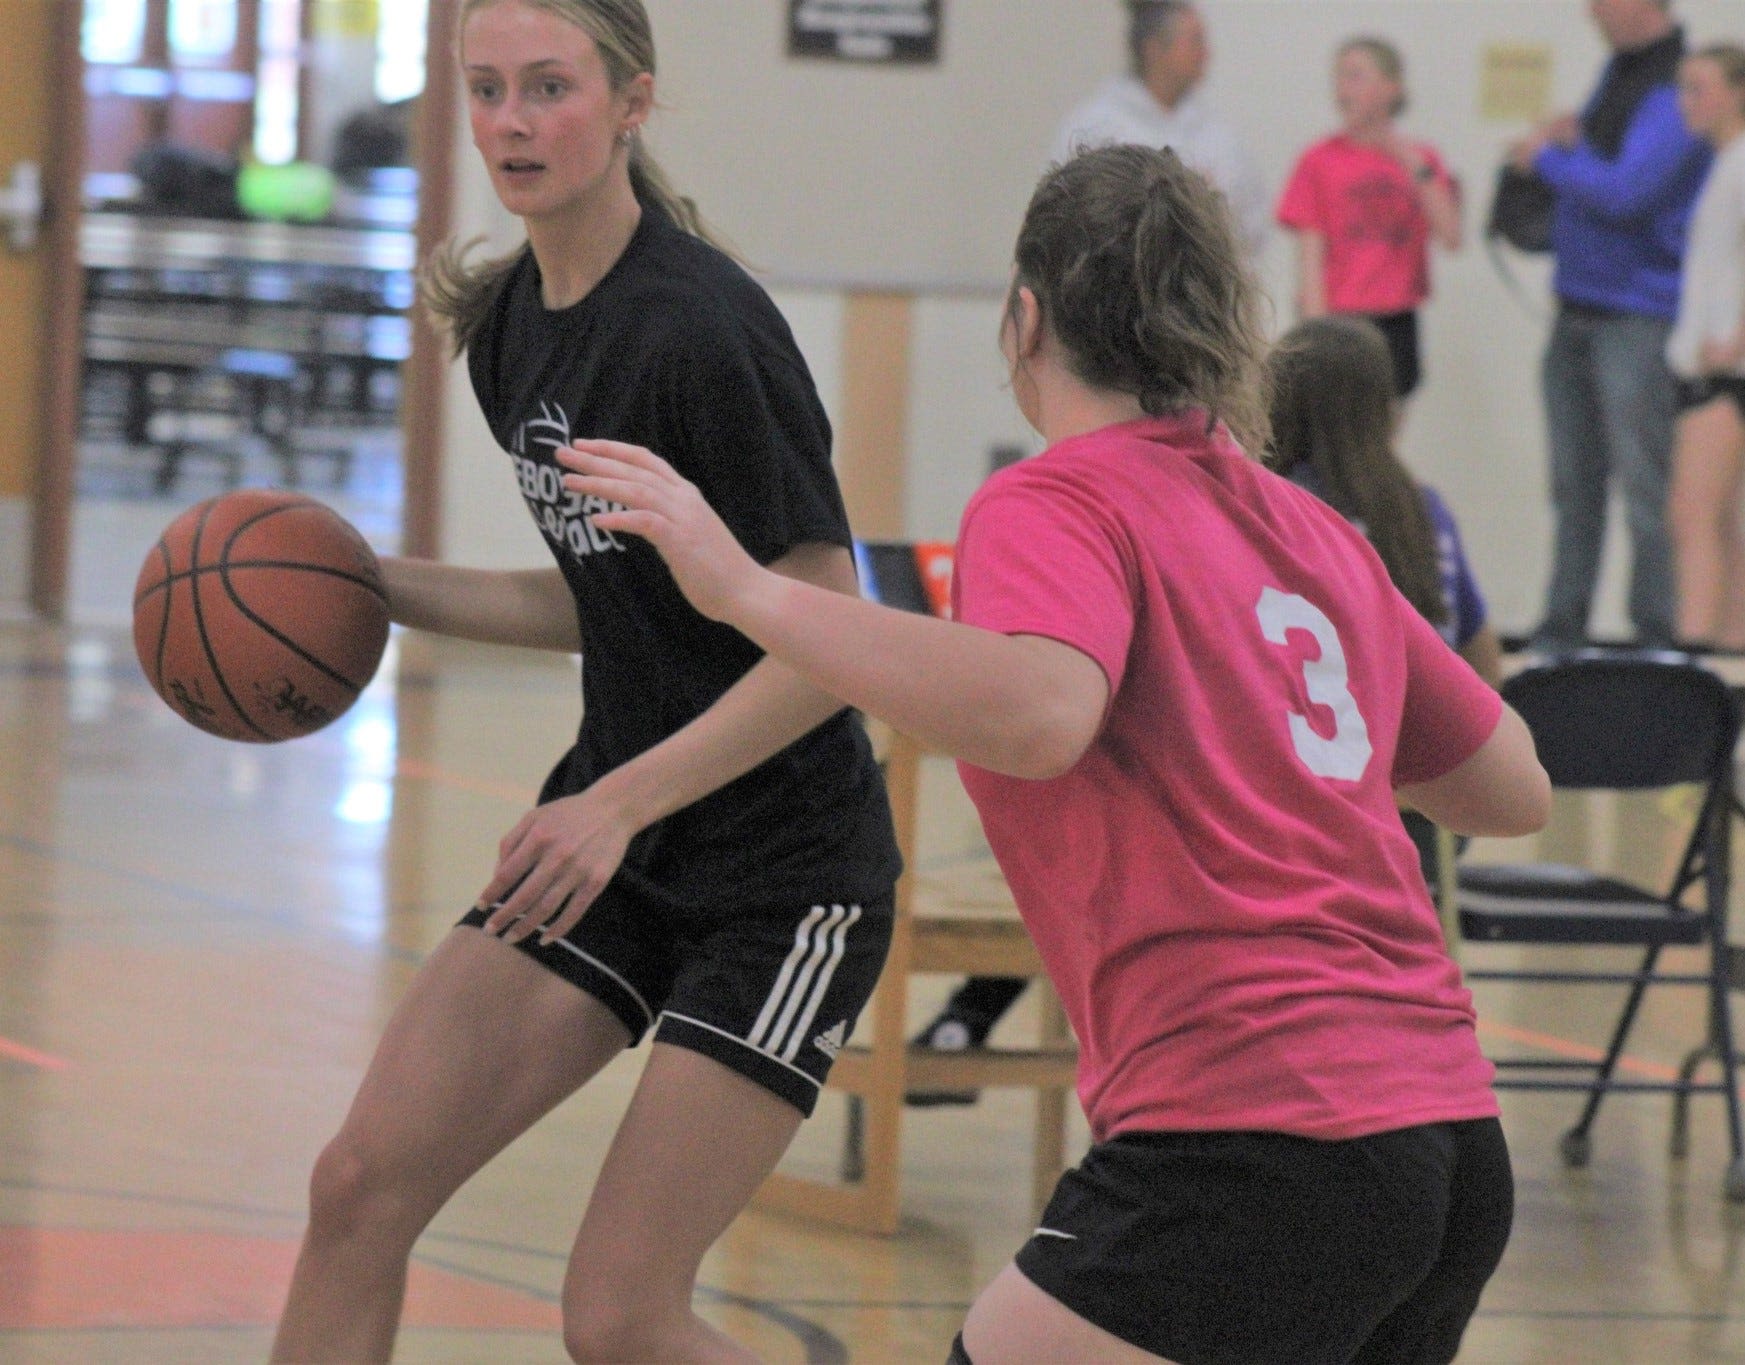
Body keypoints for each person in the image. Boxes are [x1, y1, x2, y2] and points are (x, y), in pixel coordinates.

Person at [561, 143, 1552, 1365]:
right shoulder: (1310, 529)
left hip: (1254, 1130)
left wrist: (739, 591)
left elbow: (1039, 716)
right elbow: (1510, 787)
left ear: (1023, 316)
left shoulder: (1057, 499)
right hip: (1444, 1140)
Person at [270, 3, 900, 1361]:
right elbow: (607, 604)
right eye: (486, 90)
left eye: (547, 88)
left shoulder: (700, 330)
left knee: (619, 1319)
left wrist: (617, 803)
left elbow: (825, 626)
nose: (510, 121)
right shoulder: (514, 327)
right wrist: (358, 584)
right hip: (614, 832)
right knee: (357, 1189)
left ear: (631, 104)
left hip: (782, 874)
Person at [1514, 0, 1711, 651]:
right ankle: (1562, 623)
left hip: (1635, 315)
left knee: (1642, 481)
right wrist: (1568, 145)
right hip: (1577, 307)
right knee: (1573, 482)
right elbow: (1604, 170)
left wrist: (1543, 159)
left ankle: (1655, 632)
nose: (1591, 10)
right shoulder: (1615, 73)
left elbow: (1628, 192)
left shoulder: (1676, 83)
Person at [1276, 38, 1463, 400]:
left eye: (1355, 76)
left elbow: (1451, 236)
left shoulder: (1421, 159)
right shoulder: (1319, 160)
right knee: (1338, 438)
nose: (1343, 88)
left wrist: (1409, 162)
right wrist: (1316, 334)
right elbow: (1310, 256)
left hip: (1396, 320)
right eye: (1340, 78)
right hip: (1342, 320)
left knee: (1384, 439)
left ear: (1390, 88)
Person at [1051, 0, 1269, 261]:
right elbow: (1063, 216)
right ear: (1154, 49)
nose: (1205, 54)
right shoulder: (1095, 126)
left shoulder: (1219, 135)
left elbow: (1251, 227)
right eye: (1195, 41)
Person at [1666, 44, 1745, 650]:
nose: (1686, 102)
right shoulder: (1723, 165)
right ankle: (1729, 659)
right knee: (1724, 523)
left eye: (1700, 88)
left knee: (1692, 518)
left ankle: (1694, 658)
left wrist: (1734, 340)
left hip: (1725, 375)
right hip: (1716, 369)